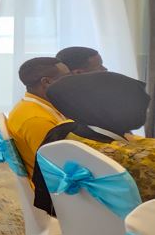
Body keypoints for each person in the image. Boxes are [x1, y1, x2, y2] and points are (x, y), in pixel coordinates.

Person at [42, 72, 154, 202]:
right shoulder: (138, 158)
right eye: (141, 107)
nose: (147, 111)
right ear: (114, 108)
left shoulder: (66, 133)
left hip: (89, 217)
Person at [6, 56, 70, 213]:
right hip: (55, 196)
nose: (72, 82)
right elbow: (58, 167)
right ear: (46, 82)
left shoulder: (35, 106)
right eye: (68, 78)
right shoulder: (36, 119)